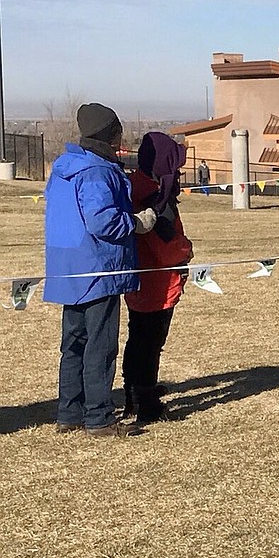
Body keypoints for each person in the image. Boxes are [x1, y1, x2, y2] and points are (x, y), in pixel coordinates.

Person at [43, 103, 157, 437]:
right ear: (111, 134)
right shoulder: (97, 171)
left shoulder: (65, 167)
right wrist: (137, 222)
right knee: (100, 345)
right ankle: (98, 417)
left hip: (68, 267)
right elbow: (102, 220)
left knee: (74, 343)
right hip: (97, 268)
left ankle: (69, 412)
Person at [122, 132, 194, 423]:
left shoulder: (132, 188)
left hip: (138, 281)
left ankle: (132, 389)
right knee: (150, 342)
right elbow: (167, 249)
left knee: (138, 337)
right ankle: (147, 401)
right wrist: (186, 250)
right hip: (158, 283)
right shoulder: (156, 198)